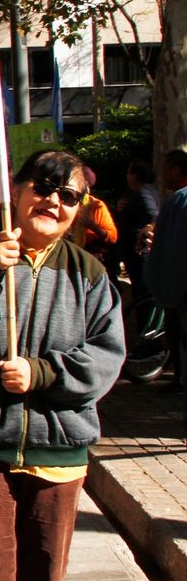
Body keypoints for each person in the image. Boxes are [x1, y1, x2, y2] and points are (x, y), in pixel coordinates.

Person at [0, 149, 124, 581]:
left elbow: (107, 357)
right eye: (43, 187)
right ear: (14, 191)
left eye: (69, 195)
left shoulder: (90, 274)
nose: (54, 201)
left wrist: (42, 373)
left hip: (59, 455)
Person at [145, 149, 187, 427]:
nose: (161, 174)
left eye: (166, 168)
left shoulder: (179, 201)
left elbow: (172, 250)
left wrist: (163, 283)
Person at [115, 159, 159, 302]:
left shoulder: (144, 192)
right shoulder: (146, 191)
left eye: (128, 173)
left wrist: (144, 231)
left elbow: (152, 213)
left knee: (142, 295)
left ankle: (145, 324)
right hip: (137, 256)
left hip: (139, 256)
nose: (127, 176)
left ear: (134, 176)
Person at [71, 166, 117, 265]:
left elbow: (113, 237)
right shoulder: (64, 201)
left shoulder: (96, 205)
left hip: (88, 257)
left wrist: (92, 225)